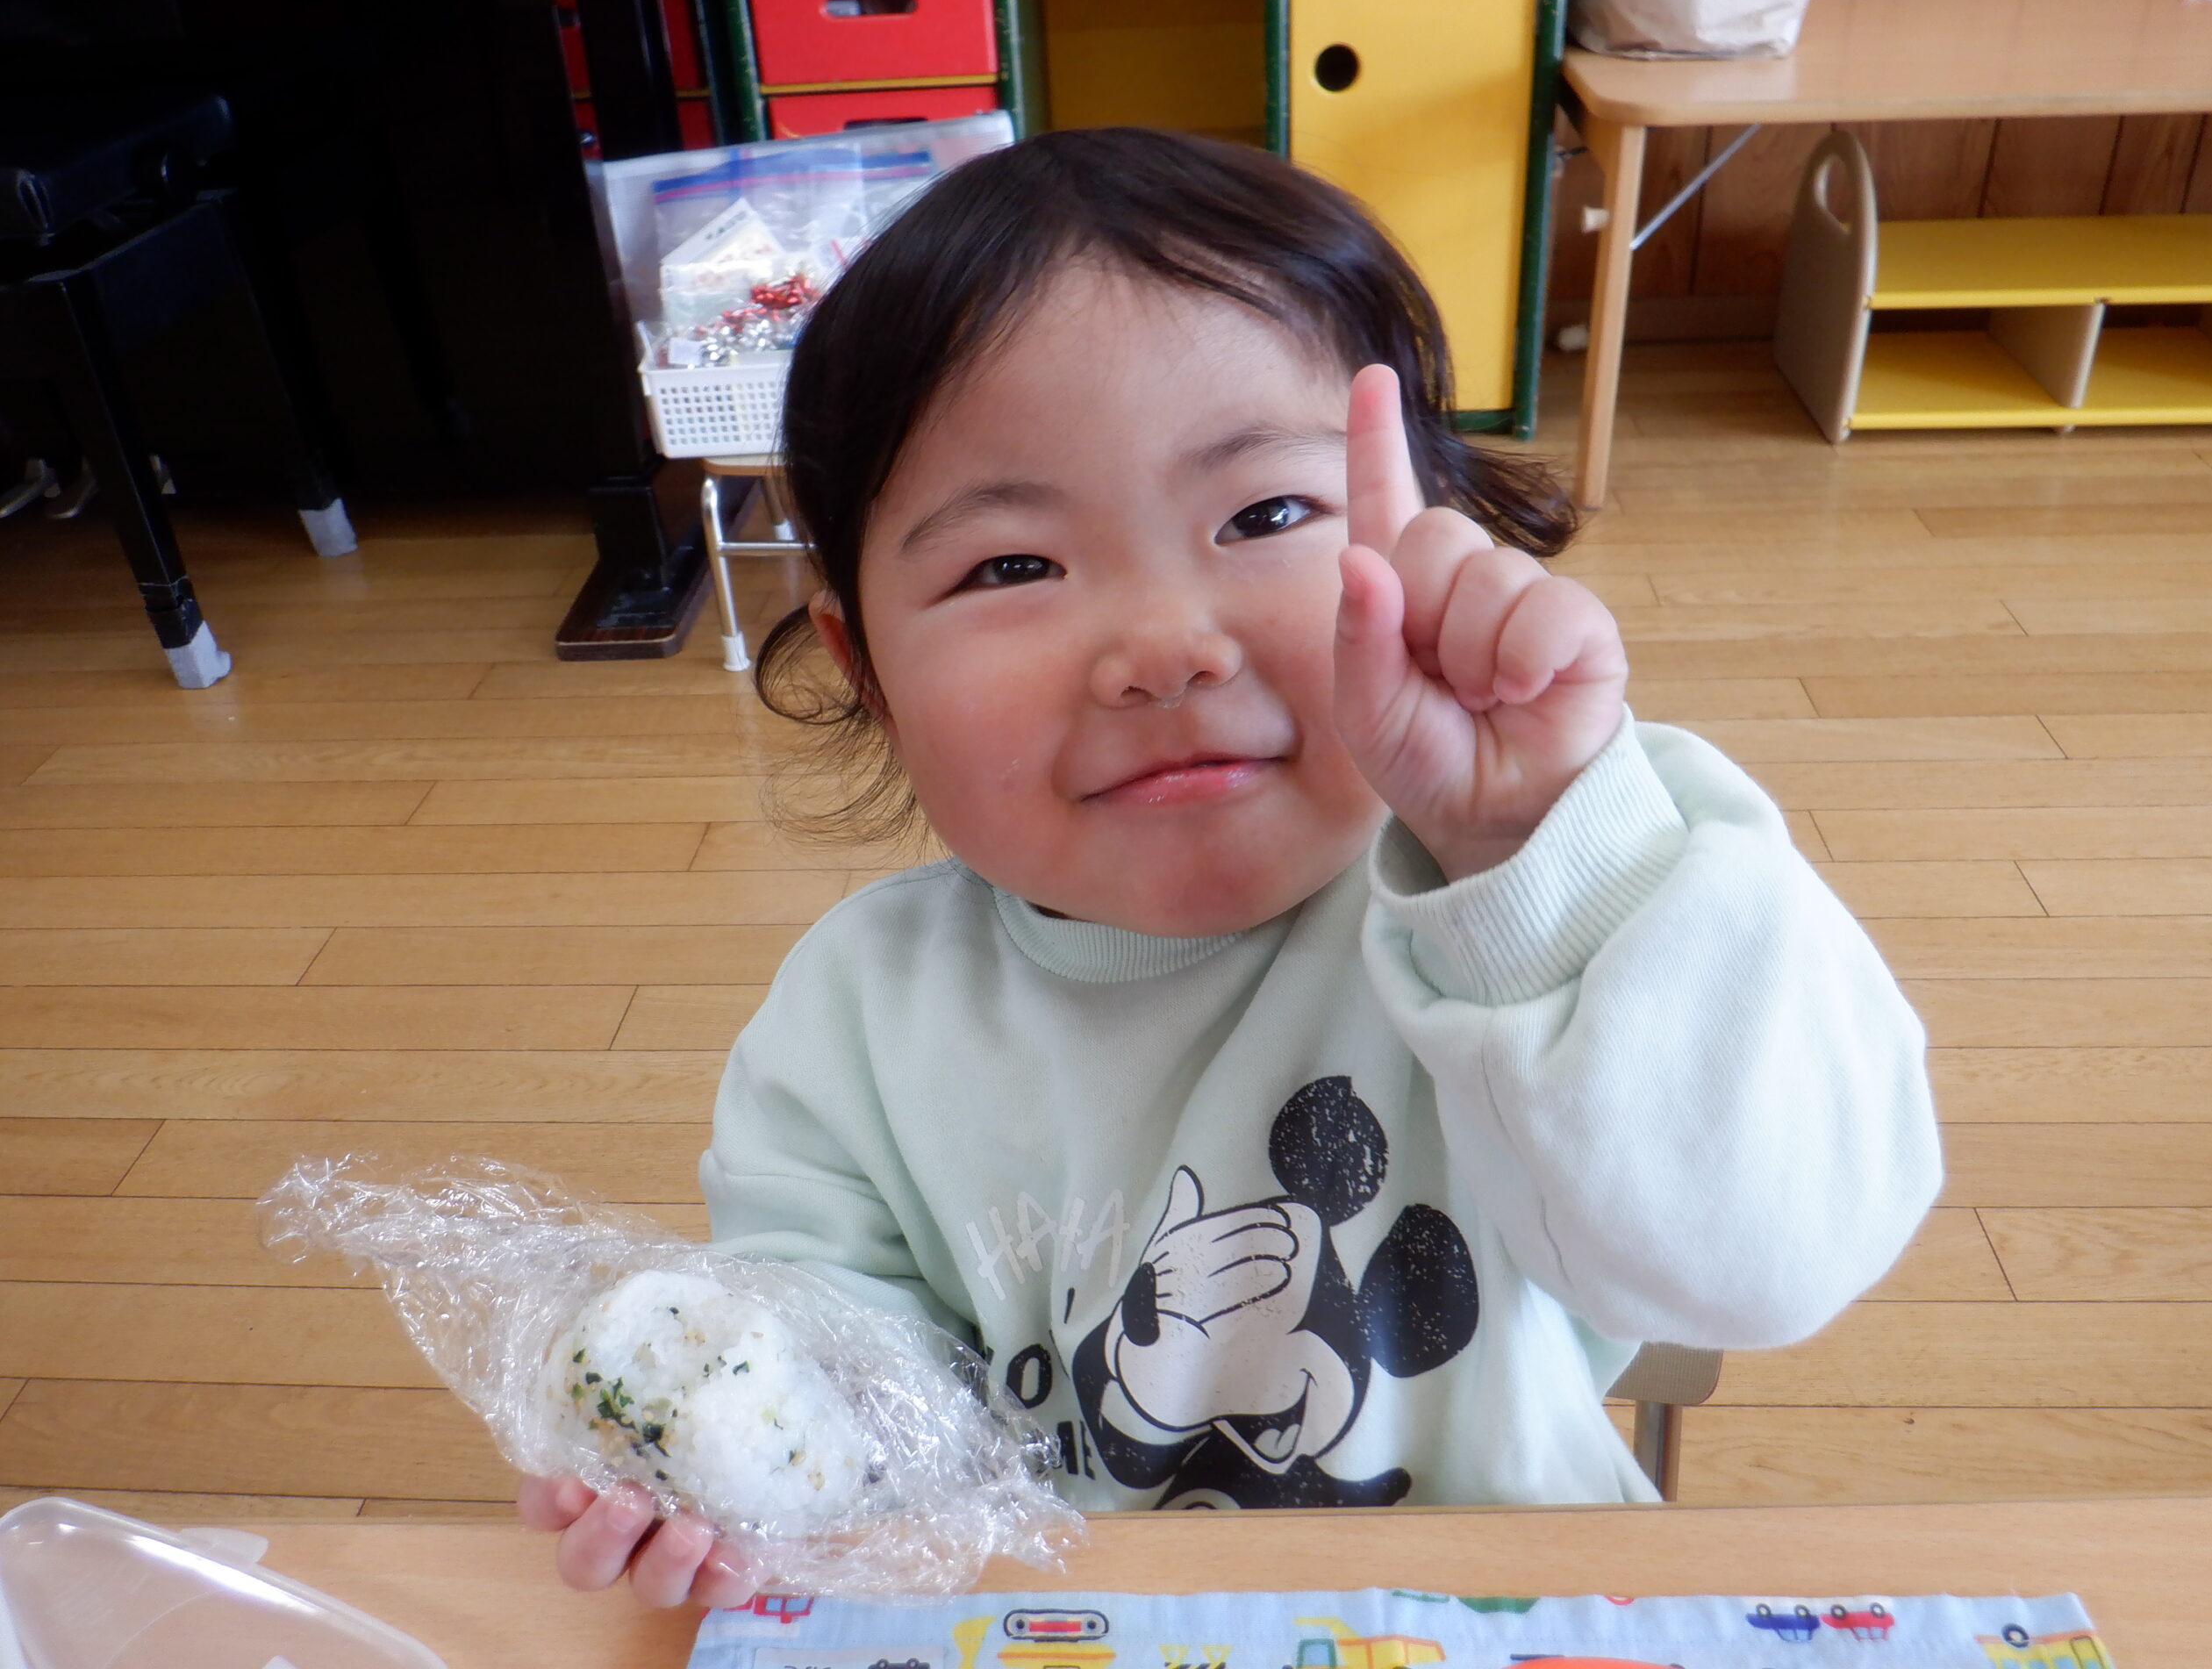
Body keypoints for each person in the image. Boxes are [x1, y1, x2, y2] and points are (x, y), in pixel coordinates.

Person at [519, 126, 1942, 1608]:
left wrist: (1534, 857)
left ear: (1437, 544)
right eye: (1012, 566)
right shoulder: (856, 1022)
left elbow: (1768, 1264)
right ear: (864, 669)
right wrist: (720, 1451)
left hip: (1510, 1616)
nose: (1163, 648)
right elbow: (845, 1402)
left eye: (1265, 515)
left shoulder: (1566, 872)